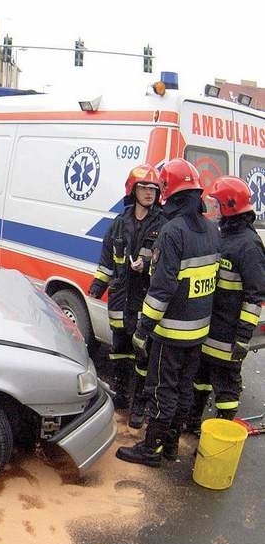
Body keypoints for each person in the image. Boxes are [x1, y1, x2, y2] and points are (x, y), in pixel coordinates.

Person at [116, 158, 220, 467]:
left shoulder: (172, 231)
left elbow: (161, 289)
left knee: (162, 390)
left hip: (171, 332)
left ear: (167, 190)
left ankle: (150, 450)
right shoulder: (211, 229)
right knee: (184, 389)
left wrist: (143, 328)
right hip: (199, 330)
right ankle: (171, 446)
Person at [187, 176, 265, 430]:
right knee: (201, 378)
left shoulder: (249, 245)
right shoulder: (223, 235)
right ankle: (193, 421)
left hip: (229, 334)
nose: (213, 210)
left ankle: (223, 429)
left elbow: (255, 297)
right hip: (209, 328)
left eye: (217, 204)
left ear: (230, 206)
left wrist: (243, 337)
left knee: (227, 386)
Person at [88, 164, 166, 413]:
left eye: (153, 189)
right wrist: (97, 286)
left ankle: (140, 402)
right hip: (120, 298)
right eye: (144, 187)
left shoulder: (162, 225)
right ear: (133, 190)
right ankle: (121, 393)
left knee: (142, 352)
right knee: (119, 349)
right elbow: (106, 261)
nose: (149, 193)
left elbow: (167, 266)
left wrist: (146, 267)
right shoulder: (119, 224)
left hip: (144, 298)